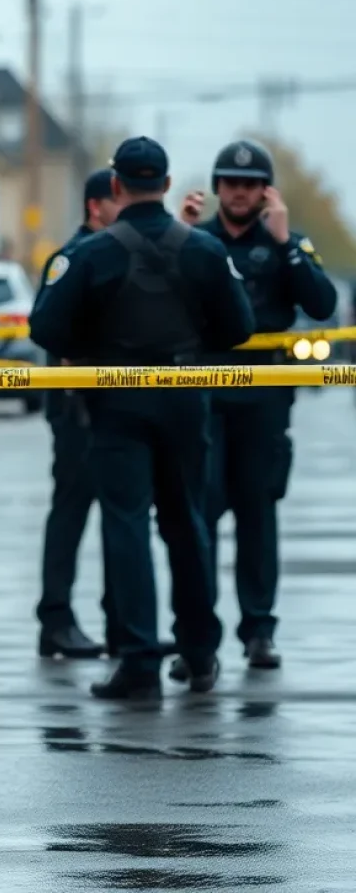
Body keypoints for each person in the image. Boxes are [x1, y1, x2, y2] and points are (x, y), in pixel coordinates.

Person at [29, 137, 255, 700]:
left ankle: (137, 659)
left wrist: (92, 342)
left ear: (115, 186)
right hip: (185, 397)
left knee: (125, 523)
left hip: (117, 400)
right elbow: (240, 327)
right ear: (168, 183)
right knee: (187, 523)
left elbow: (46, 329)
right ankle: (200, 652)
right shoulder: (202, 250)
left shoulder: (92, 254)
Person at [170, 140, 336, 677]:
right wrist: (178, 233)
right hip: (206, 399)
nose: (239, 193)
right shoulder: (195, 241)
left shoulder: (286, 241)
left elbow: (322, 304)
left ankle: (259, 630)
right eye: (230, 183)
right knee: (199, 519)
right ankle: (197, 638)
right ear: (217, 188)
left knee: (258, 517)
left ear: (266, 190)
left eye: (250, 185)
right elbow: (162, 295)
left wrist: (287, 242)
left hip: (264, 404)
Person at [35, 168, 120, 660]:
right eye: (116, 200)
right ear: (95, 207)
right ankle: (56, 619)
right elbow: (48, 328)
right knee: (71, 510)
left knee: (117, 513)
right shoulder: (70, 258)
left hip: (108, 405)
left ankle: (121, 620)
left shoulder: (112, 253)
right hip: (76, 408)